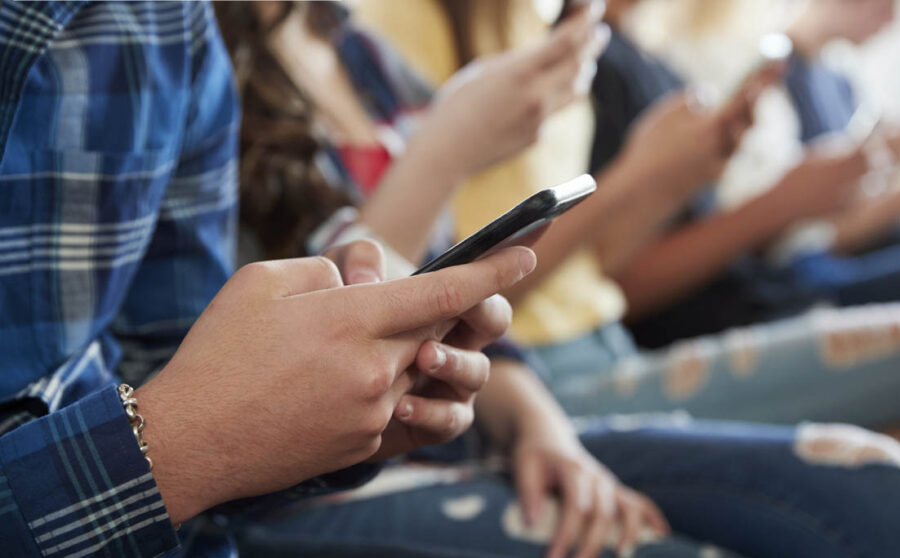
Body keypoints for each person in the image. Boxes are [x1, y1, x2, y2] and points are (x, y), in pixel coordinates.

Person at [218, 2, 900, 557]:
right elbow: (384, 311)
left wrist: (537, 419)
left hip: (504, 385)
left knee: (884, 476)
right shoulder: (357, 38)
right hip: (433, 416)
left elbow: (457, 299)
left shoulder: (363, 48)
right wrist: (643, 182)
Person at [0, 2, 535, 557]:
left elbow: (168, 372)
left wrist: (329, 421)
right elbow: (192, 414)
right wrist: (189, 444)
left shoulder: (175, 24)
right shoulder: (222, 46)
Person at [647, 0, 900, 341]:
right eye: (886, 7)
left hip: (821, 262)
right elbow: (812, 231)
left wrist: (888, 171)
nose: (892, 21)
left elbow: (822, 205)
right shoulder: (760, 73)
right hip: (811, 274)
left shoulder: (837, 81)